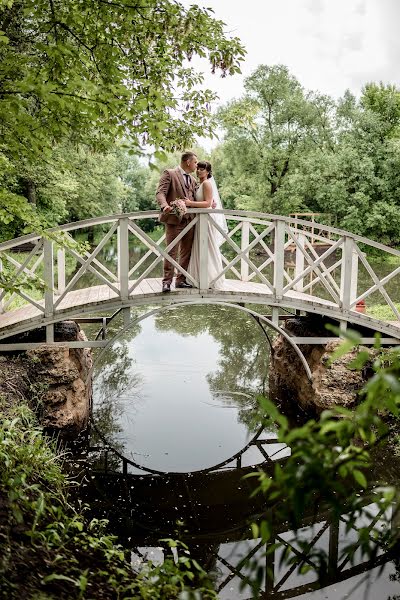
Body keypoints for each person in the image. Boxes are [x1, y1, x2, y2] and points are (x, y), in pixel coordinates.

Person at [156, 151, 198, 292]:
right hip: (174, 219)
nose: (196, 166)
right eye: (195, 163)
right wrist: (164, 206)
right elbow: (160, 192)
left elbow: (197, 198)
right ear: (188, 162)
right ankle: (166, 282)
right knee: (171, 251)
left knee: (187, 251)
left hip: (190, 221)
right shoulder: (170, 173)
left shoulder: (192, 180)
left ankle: (181, 280)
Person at [185, 161, 228, 290]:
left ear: (208, 172)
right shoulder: (200, 184)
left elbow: (208, 203)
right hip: (200, 219)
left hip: (206, 220)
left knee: (209, 247)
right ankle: (199, 277)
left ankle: (212, 278)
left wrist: (189, 203)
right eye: (198, 168)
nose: (198, 171)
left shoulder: (207, 184)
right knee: (200, 247)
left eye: (202, 169)